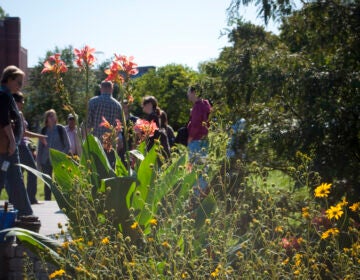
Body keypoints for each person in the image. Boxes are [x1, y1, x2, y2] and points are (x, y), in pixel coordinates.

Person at [0, 65, 34, 216]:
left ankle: (23, 215)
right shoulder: (4, 95)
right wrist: (13, 141)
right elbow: (3, 120)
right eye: (18, 82)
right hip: (8, 148)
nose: (20, 87)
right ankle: (25, 215)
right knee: (14, 180)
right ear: (9, 79)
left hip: (8, 149)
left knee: (11, 180)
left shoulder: (7, 95)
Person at [9, 92, 47, 204]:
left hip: (18, 146)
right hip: (21, 146)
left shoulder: (13, 113)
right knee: (33, 171)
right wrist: (40, 136)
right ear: (15, 102)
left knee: (17, 174)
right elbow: (23, 133)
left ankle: (15, 199)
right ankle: (31, 198)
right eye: (22, 102)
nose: (23, 104)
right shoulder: (18, 113)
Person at [87, 80, 122, 167]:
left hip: (95, 143)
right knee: (109, 168)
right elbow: (118, 127)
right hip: (110, 145)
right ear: (112, 89)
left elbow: (88, 124)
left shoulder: (93, 102)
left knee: (95, 169)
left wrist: (86, 141)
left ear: (101, 88)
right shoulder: (117, 105)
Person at [37, 109, 70, 200]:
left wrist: (60, 156)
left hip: (58, 160)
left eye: (53, 115)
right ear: (46, 118)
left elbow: (68, 145)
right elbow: (39, 148)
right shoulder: (43, 130)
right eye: (50, 115)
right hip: (46, 160)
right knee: (47, 182)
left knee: (59, 181)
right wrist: (38, 163)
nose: (52, 117)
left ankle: (61, 200)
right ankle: (47, 201)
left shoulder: (60, 129)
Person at [186, 85, 212, 195]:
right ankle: (204, 192)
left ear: (194, 93)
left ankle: (196, 195)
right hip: (205, 140)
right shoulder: (206, 104)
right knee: (203, 168)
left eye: (188, 92)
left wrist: (190, 139)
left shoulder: (197, 106)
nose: (187, 95)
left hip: (196, 140)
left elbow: (196, 125)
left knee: (194, 169)